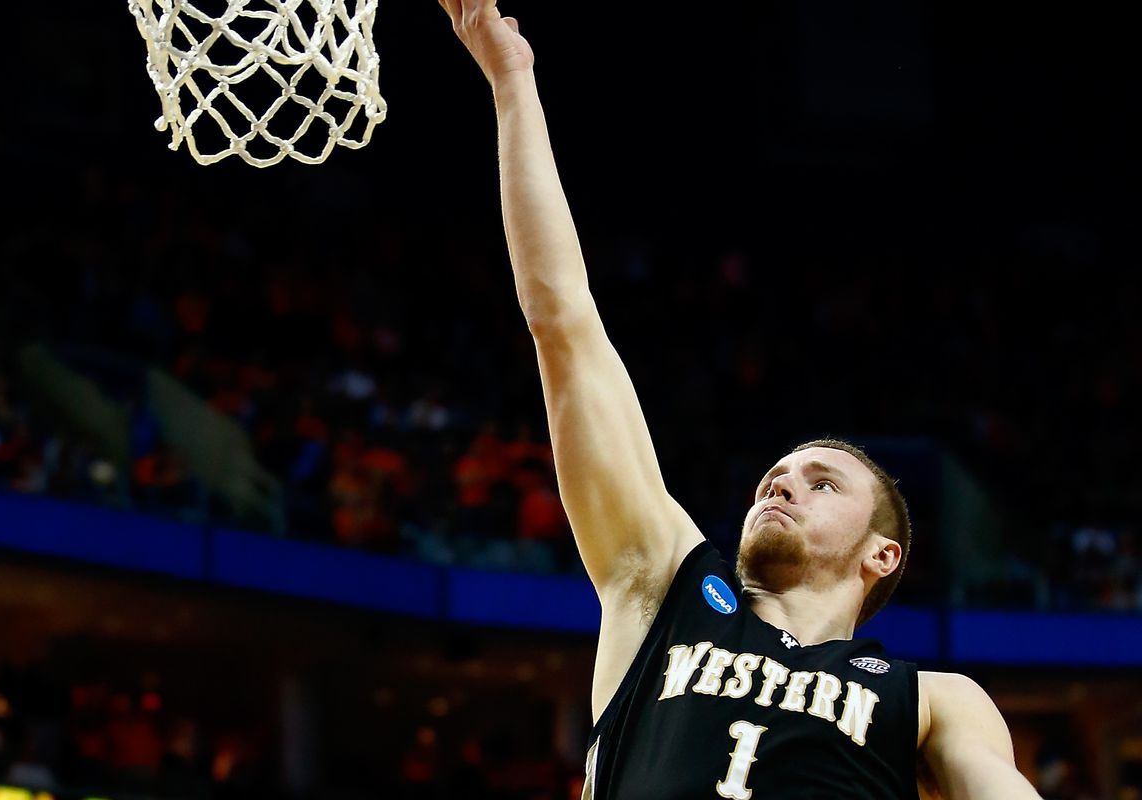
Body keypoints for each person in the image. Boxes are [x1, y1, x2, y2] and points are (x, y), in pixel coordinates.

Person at [437, 1, 1043, 797]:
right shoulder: (661, 588)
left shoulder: (933, 702)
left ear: (882, 555)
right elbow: (565, 328)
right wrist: (512, 83)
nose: (782, 483)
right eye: (777, 476)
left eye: (822, 482)